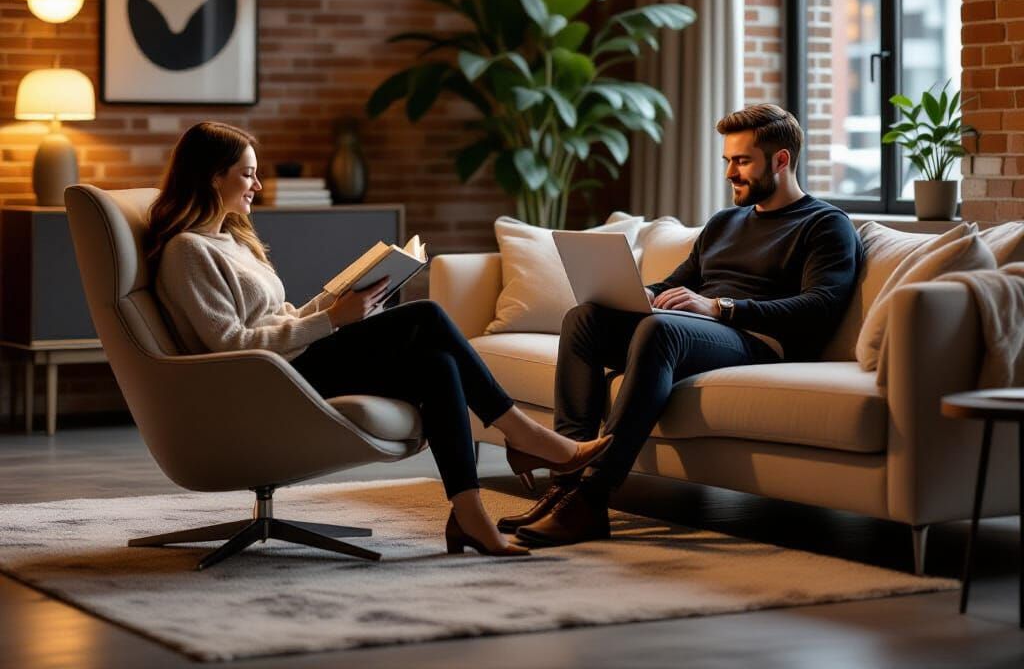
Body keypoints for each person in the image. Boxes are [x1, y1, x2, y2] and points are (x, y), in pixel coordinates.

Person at [146, 121, 611, 559]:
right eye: (247, 174)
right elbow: (231, 343)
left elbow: (275, 318)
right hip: (266, 381)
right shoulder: (187, 250)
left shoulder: (232, 239)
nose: (257, 185)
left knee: (437, 365)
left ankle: (469, 514)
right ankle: (525, 436)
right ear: (212, 177)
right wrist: (332, 319)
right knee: (426, 314)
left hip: (292, 361)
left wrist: (338, 301)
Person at [504, 104, 863, 548]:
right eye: (727, 161)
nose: (731, 172)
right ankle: (564, 483)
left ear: (781, 160)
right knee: (583, 319)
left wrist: (720, 308)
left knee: (661, 331)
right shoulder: (725, 222)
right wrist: (644, 294)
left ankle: (591, 500)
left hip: (757, 341)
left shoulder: (825, 224)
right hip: (700, 331)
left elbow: (819, 306)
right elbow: (677, 283)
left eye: (742, 161)